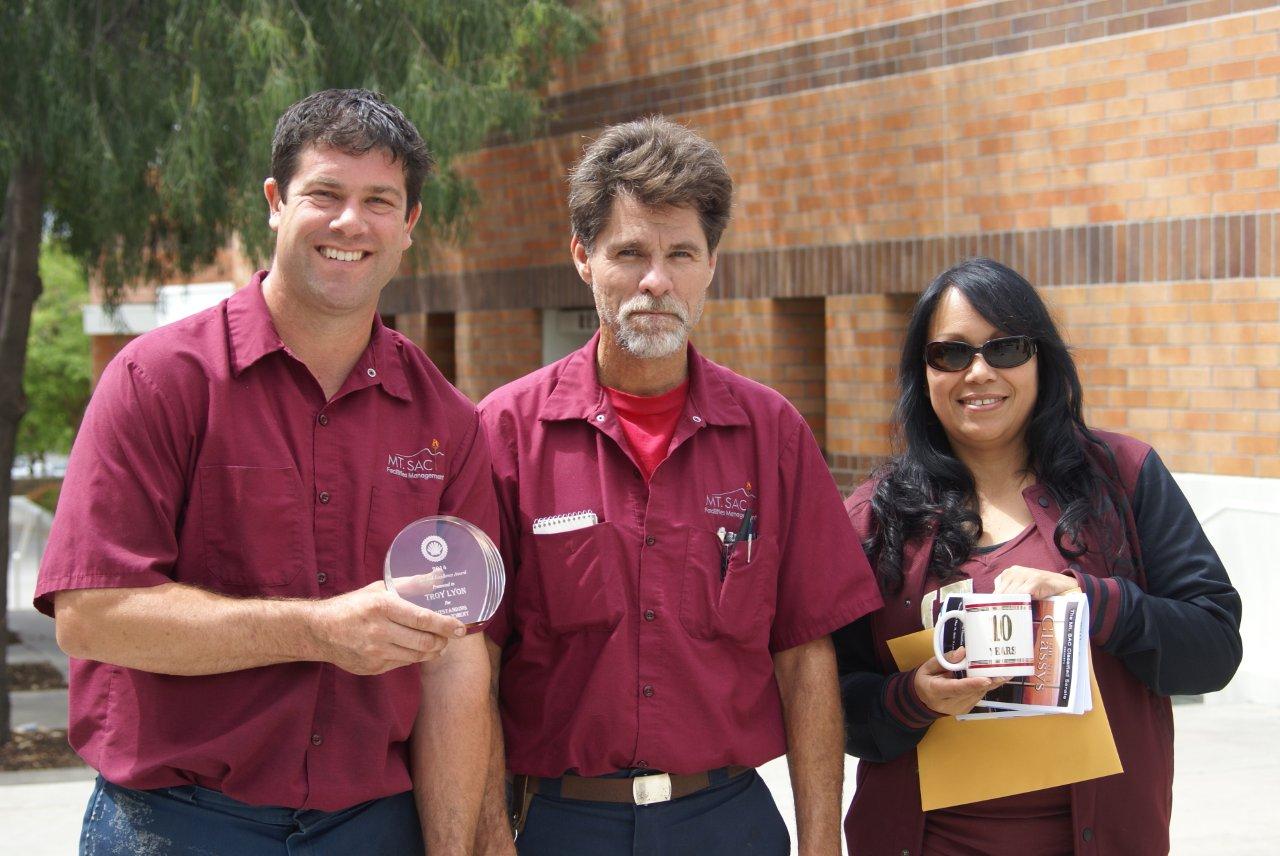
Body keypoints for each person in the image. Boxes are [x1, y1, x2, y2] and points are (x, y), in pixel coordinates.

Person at [34, 89, 497, 855]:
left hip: (371, 826)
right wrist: (318, 631)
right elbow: (91, 617)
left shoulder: (447, 421)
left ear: (410, 225)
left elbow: (454, 662)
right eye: (325, 194)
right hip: (178, 823)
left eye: (380, 201)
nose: (351, 224)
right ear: (276, 203)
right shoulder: (158, 381)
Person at [470, 116, 883, 855]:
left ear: (710, 266)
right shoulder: (504, 433)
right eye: (629, 252)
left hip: (726, 820)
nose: (656, 280)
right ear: (583, 259)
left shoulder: (773, 435)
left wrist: (822, 843)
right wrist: (489, 839)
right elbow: (475, 662)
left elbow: (805, 659)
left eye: (681, 254)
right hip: (561, 826)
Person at [833, 258, 1243, 855]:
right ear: (922, 372)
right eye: (950, 354)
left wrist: (1099, 604)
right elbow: (831, 702)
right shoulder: (876, 517)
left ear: (1041, 359)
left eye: (1005, 349)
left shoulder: (1125, 479)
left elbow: (1213, 651)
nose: (978, 372)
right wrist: (911, 697)